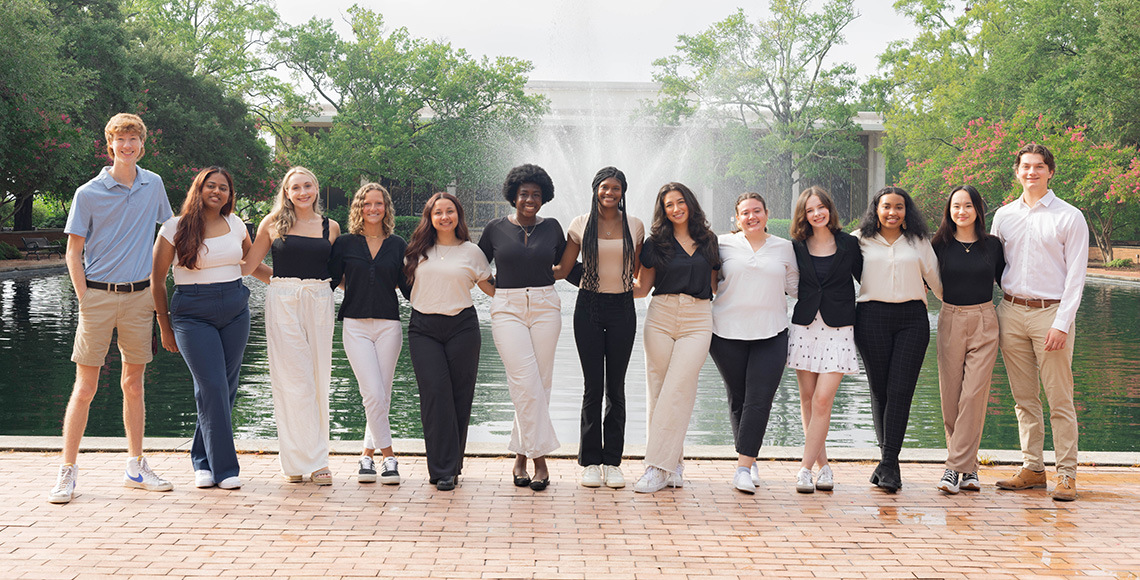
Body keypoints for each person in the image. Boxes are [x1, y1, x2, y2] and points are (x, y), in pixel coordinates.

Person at [50, 113, 175, 504]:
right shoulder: (88, 193)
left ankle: (135, 467)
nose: (127, 145)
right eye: (120, 140)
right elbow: (73, 252)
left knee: (133, 384)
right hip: (98, 298)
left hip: (139, 298)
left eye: (133, 139)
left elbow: (170, 230)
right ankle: (67, 472)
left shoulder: (153, 184)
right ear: (110, 145)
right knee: (85, 387)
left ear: (141, 144)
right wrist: (85, 297)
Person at [151, 167, 271, 491]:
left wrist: (288, 282)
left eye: (224, 188)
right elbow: (157, 280)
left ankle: (202, 460)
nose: (217, 192)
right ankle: (225, 469)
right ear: (199, 189)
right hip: (192, 314)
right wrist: (164, 326)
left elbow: (251, 265)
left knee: (224, 389)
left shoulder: (236, 225)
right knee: (214, 386)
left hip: (235, 309)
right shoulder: (174, 228)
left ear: (230, 195)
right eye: (211, 186)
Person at [991, 143, 1088, 502]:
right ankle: (1033, 468)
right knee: (1023, 398)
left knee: (1059, 398)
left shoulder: (1069, 217)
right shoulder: (1003, 216)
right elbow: (994, 265)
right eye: (1026, 167)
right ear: (1016, 172)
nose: (1031, 172)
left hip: (1052, 313)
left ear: (1050, 172)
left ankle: (1066, 474)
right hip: (1011, 311)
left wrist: (1062, 322)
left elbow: (1077, 276)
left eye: (1039, 167)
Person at [243, 167, 340, 485]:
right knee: (293, 381)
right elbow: (250, 266)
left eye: (307, 185)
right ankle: (312, 461)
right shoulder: (272, 224)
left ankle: (304, 460)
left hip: (320, 299)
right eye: (295, 187)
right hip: (283, 300)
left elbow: (338, 275)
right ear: (286, 192)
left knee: (318, 378)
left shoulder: (331, 227)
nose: (302, 192)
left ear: (316, 188)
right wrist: (281, 282)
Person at [479, 164, 566, 492]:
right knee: (524, 381)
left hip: (546, 308)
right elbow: (477, 266)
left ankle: (519, 455)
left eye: (536, 194)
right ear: (513, 196)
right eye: (524, 194)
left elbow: (566, 268)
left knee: (539, 385)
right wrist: (498, 294)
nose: (530, 199)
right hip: (508, 310)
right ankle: (540, 460)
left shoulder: (554, 228)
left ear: (544, 197)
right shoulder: (495, 228)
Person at [555, 167, 644, 489]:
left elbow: (636, 271)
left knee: (616, 388)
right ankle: (591, 462)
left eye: (616, 188)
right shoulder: (580, 224)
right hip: (588, 308)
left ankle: (613, 462)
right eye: (604, 187)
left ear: (623, 191)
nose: (610, 193)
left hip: (622, 308)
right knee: (593, 387)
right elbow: (563, 269)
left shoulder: (635, 225)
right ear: (595, 189)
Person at [632, 182, 721, 494]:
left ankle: (655, 467)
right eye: (669, 205)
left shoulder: (709, 241)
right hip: (661, 314)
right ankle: (673, 464)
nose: (676, 209)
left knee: (679, 387)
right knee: (658, 391)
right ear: (663, 210)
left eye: (680, 202)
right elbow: (642, 288)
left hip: (698, 318)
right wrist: (599, 284)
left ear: (690, 204)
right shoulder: (656, 244)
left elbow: (714, 287)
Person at [853, 186, 942, 493]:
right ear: (876, 209)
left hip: (912, 320)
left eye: (899, 207)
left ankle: (889, 463)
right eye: (886, 206)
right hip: (870, 319)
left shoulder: (919, 242)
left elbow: (937, 281)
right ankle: (888, 462)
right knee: (879, 391)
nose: (893, 212)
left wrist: (968, 307)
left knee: (901, 390)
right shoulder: (858, 240)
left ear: (907, 211)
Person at [709, 192, 797, 495]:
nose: (751, 217)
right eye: (745, 213)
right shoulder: (721, 244)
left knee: (759, 399)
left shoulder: (784, 248)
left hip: (772, 334)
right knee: (739, 398)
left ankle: (743, 468)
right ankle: (750, 456)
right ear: (736, 218)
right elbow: (708, 280)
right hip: (725, 333)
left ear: (767, 213)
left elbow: (796, 287)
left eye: (757, 211)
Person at [404, 192, 492, 491]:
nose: (444, 216)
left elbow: (490, 288)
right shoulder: (416, 250)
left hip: (462, 327)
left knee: (459, 396)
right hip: (423, 328)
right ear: (429, 217)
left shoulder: (472, 251)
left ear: (458, 215)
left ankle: (451, 467)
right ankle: (441, 467)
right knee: (435, 393)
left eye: (450, 211)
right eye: (438, 212)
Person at [329, 183, 408, 485]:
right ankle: (389, 457)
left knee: (381, 396)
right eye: (367, 204)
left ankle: (366, 456)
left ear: (386, 207)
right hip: (355, 325)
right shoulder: (346, 243)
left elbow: (406, 284)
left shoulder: (397, 243)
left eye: (379, 204)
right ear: (358, 208)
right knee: (372, 392)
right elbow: (332, 279)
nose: (373, 209)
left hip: (389, 325)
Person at [787, 186, 862, 493]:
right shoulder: (796, 246)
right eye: (810, 210)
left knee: (822, 399)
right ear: (803, 216)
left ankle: (804, 469)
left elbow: (867, 278)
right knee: (807, 400)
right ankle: (824, 468)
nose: (816, 213)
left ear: (829, 209)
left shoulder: (849, 244)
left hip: (838, 329)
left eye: (821, 207)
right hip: (805, 327)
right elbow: (789, 282)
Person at [930, 185, 1005, 494]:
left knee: (973, 395)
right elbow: (923, 277)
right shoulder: (939, 245)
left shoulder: (993, 246)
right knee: (952, 398)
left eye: (968, 206)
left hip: (985, 320)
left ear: (978, 210)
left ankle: (952, 470)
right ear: (949, 210)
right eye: (956, 206)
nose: (961, 211)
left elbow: (1008, 280)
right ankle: (970, 469)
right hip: (950, 318)